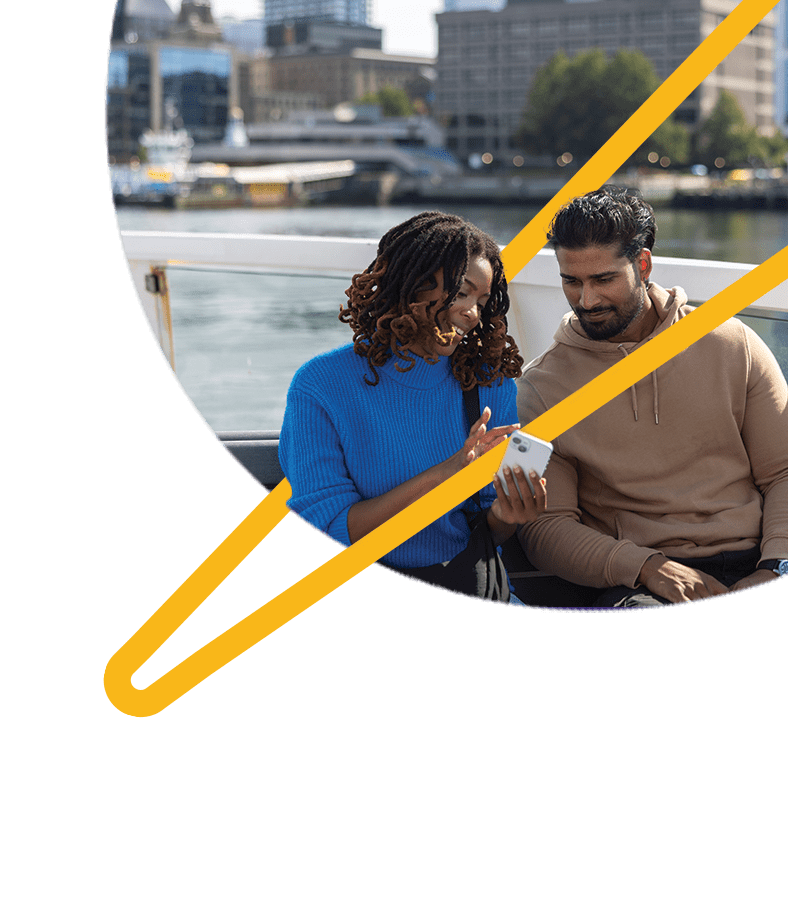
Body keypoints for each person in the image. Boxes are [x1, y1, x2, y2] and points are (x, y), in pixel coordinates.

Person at [516, 187, 788, 607]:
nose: (587, 301)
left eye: (603, 279)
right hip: (637, 581)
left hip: (759, 558)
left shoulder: (733, 344)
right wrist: (645, 567)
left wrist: (775, 567)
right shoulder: (542, 386)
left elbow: (783, 473)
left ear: (642, 265)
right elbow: (544, 527)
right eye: (571, 281)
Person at [279, 211, 547, 604]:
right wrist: (445, 475)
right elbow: (330, 528)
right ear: (411, 284)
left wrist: (509, 513)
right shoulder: (320, 387)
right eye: (461, 293)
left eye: (481, 300)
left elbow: (487, 528)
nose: (472, 313)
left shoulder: (487, 382)